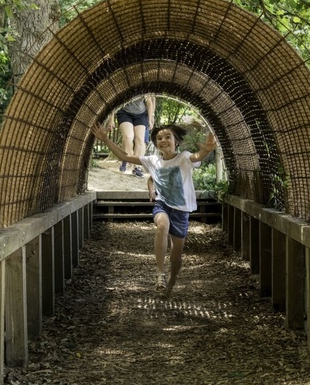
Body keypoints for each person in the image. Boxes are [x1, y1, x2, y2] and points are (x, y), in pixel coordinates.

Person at [91, 122, 217, 297]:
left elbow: (197, 156)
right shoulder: (152, 160)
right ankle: (160, 273)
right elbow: (125, 156)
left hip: (181, 211)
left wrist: (207, 150)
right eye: (159, 138)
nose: (163, 140)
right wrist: (105, 139)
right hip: (162, 204)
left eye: (167, 137)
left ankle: (172, 279)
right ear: (156, 143)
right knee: (162, 225)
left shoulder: (184, 157)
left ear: (176, 141)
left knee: (176, 256)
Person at [107, 94, 155, 177]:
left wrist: (150, 120)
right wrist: (111, 119)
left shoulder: (144, 90)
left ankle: (135, 167)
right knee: (128, 137)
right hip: (124, 113)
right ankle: (128, 159)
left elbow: (149, 103)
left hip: (141, 114)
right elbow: (114, 102)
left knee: (140, 140)